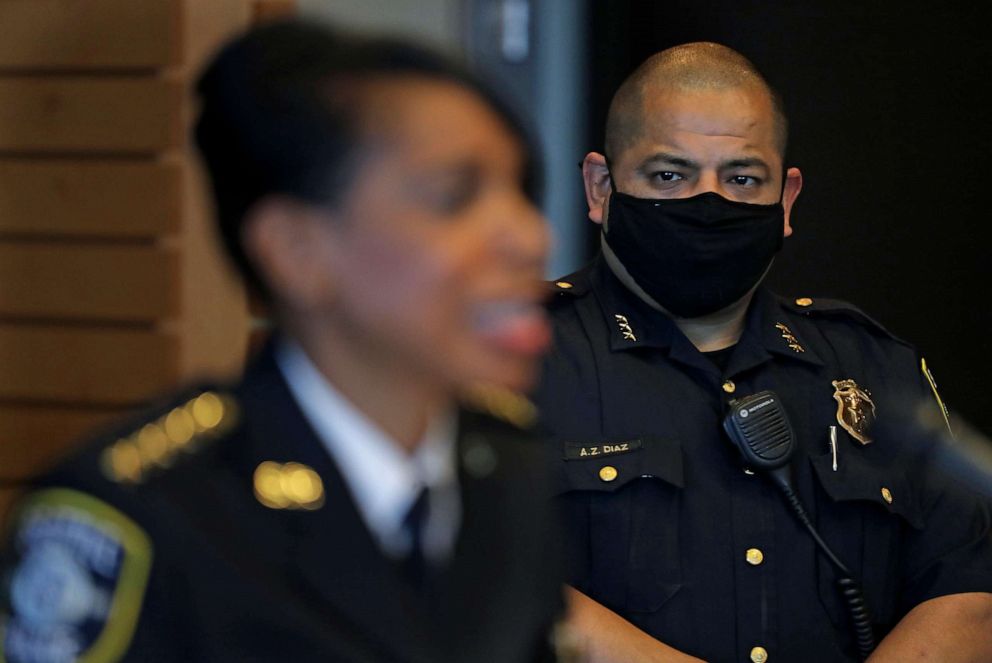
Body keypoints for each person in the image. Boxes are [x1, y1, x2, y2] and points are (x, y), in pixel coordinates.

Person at [0, 20, 566, 663]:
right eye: (453, 197)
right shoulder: (145, 514)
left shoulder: (508, 470)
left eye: (519, 192)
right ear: (297, 252)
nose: (529, 237)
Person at [534, 41, 992, 662]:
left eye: (742, 179)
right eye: (669, 175)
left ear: (787, 200)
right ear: (600, 186)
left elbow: (969, 589)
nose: (709, 201)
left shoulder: (872, 368)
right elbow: (469, 571)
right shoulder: (515, 358)